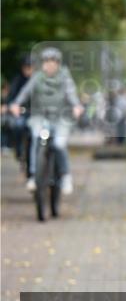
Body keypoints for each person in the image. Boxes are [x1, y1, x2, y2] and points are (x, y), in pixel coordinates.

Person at [9, 48, 83, 194]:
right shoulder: (37, 77)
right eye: (46, 62)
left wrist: (76, 106)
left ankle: (65, 175)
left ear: (58, 63)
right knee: (35, 138)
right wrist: (16, 104)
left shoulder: (64, 77)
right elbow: (25, 91)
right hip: (40, 117)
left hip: (60, 117)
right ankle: (33, 175)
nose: (49, 65)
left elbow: (71, 93)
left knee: (59, 144)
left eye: (52, 62)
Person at [4, 54, 34, 169]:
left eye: (30, 67)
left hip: (36, 113)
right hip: (21, 112)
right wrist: (10, 106)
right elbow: (11, 96)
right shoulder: (18, 80)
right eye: (26, 67)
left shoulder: (38, 80)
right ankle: (19, 150)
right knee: (18, 126)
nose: (28, 70)